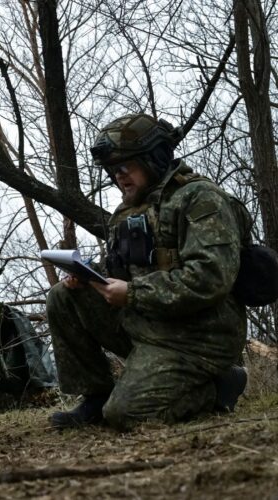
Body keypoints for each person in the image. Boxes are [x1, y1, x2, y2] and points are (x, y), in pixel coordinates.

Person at [47, 113, 248, 431]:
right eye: (114, 170)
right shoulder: (129, 209)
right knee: (63, 296)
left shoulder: (200, 199)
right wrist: (89, 276)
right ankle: (97, 397)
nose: (119, 176)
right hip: (148, 323)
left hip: (198, 337)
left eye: (125, 166)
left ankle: (219, 384)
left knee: (128, 414)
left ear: (153, 158)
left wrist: (133, 293)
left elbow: (210, 278)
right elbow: (122, 270)